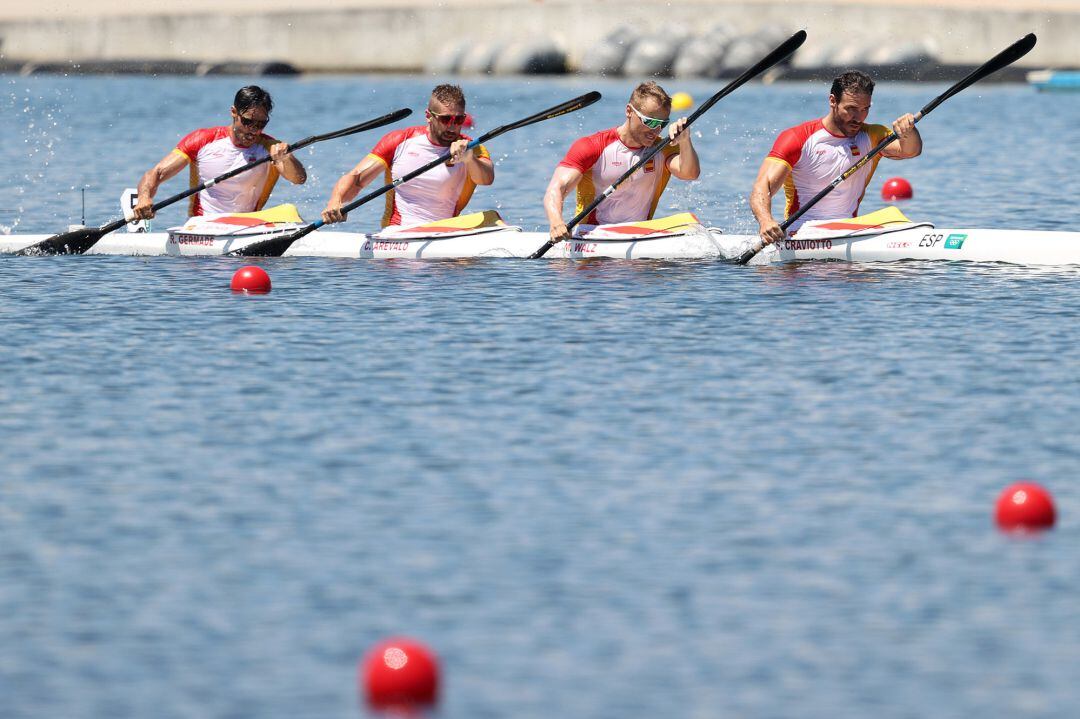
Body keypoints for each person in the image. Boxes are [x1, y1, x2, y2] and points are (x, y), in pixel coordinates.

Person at [750, 70, 922, 244]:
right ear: (833, 101)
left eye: (865, 109)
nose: (859, 118)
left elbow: (910, 150)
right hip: (803, 231)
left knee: (893, 215)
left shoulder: (872, 135)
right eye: (851, 109)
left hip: (849, 229)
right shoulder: (798, 138)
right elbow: (762, 187)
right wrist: (766, 221)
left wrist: (909, 131)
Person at [544, 81, 700, 243]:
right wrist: (556, 222)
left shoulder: (663, 149)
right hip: (593, 235)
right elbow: (557, 188)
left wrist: (685, 140)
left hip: (638, 234)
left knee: (690, 222)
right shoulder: (592, 146)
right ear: (629, 111)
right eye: (651, 121)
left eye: (662, 124)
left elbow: (690, 174)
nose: (656, 130)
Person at [321, 84, 494, 228]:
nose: (452, 127)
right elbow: (357, 179)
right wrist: (335, 202)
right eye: (445, 119)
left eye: (458, 120)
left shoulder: (471, 148)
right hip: (398, 235)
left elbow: (487, 179)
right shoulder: (399, 141)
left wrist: (469, 158)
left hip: (446, 232)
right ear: (428, 116)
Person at [133, 86, 306, 219]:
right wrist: (144, 198)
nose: (253, 130)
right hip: (204, 225)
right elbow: (156, 173)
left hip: (248, 226)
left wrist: (288, 158)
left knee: (290, 211)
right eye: (247, 122)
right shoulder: (202, 140)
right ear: (233, 112)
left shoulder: (271, 148)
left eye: (260, 124)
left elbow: (299, 179)